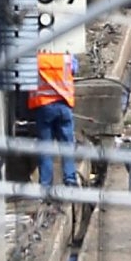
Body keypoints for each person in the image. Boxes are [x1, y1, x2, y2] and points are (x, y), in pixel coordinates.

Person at [27, 44, 80, 189]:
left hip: (44, 106)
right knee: (67, 145)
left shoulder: (36, 59)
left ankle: (45, 184)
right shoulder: (66, 57)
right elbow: (75, 69)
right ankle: (70, 179)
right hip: (64, 106)